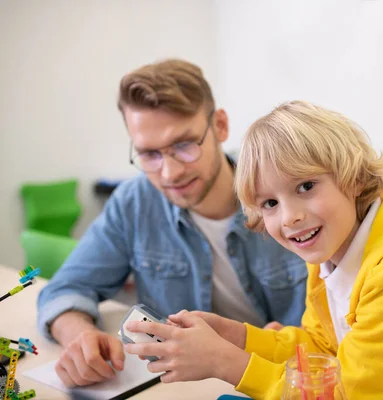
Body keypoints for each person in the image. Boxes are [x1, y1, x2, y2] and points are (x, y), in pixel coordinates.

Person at [124, 100, 383, 399]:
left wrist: (226, 363)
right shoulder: (331, 256)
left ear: (353, 178)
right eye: (270, 203)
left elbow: (345, 395)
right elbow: (321, 351)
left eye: (305, 187)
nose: (290, 218)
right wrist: (238, 338)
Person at [36, 60, 307, 388]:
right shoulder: (134, 202)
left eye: (184, 145)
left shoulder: (291, 197)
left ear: (220, 126)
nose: (170, 173)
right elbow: (66, 288)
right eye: (149, 154)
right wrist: (80, 337)